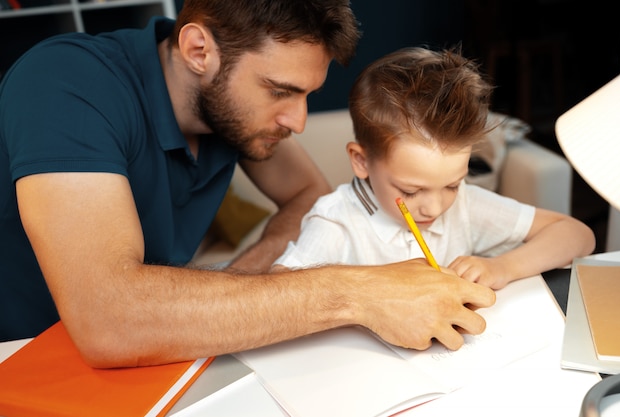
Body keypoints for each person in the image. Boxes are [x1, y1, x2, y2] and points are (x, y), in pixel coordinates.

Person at [0, 1, 496, 368]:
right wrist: (359, 292)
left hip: (154, 357)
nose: (298, 120)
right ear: (199, 50)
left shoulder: (231, 116)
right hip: (25, 358)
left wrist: (243, 276)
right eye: (281, 91)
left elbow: (310, 196)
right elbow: (108, 319)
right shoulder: (65, 82)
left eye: (307, 94)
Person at [273, 47, 596, 290]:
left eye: (453, 184)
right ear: (361, 161)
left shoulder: (463, 205)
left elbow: (577, 236)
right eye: (411, 191)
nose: (435, 206)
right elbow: (280, 292)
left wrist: (501, 268)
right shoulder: (336, 221)